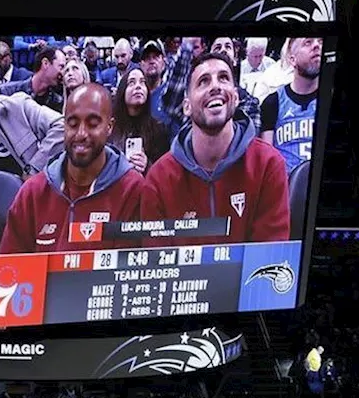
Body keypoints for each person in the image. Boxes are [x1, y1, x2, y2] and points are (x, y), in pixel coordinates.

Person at [140, 53, 290, 245]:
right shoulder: (158, 179)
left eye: (224, 78)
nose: (215, 86)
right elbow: (159, 265)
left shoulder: (268, 164)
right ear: (186, 106)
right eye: (203, 81)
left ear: (235, 98)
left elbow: (268, 261)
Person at [0, 84, 143, 253]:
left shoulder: (133, 190)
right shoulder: (32, 192)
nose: (81, 134)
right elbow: (10, 269)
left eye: (93, 124)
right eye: (73, 124)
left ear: (109, 127)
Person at [260, 37, 321, 174]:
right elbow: (266, 163)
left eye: (320, 41)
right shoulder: (273, 102)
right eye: (308, 42)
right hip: (286, 188)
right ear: (292, 59)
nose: (316, 45)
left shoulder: (333, 100)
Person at [108, 67, 169, 175]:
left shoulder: (158, 129)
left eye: (143, 82)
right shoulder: (110, 128)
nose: (138, 86)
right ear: (123, 91)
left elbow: (164, 173)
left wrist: (148, 166)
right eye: (131, 82)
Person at [0, 45, 65, 113]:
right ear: (45, 63)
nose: (63, 73)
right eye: (61, 67)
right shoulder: (7, 92)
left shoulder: (58, 103)